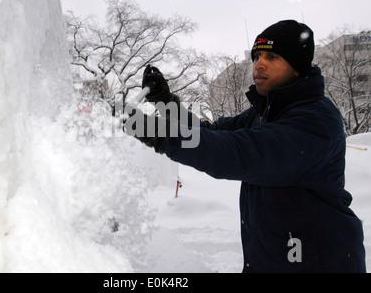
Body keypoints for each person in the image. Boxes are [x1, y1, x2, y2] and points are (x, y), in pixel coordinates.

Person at [121, 20, 366, 273]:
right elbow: (209, 132)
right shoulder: (261, 114)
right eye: (257, 55)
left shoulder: (316, 119)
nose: (259, 64)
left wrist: (162, 134)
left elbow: (241, 151)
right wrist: (164, 102)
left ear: (297, 68)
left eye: (272, 56)